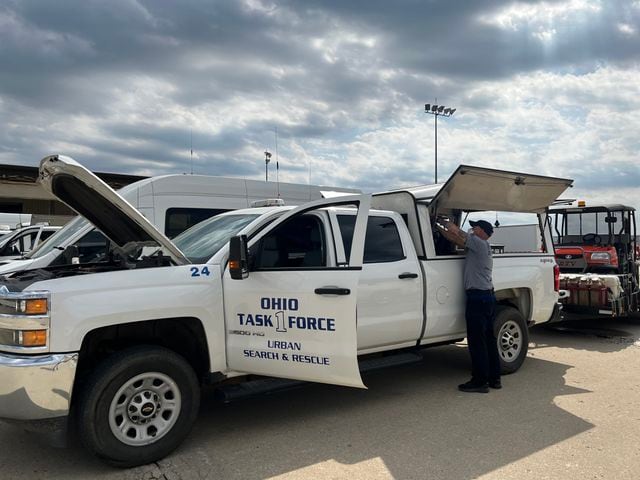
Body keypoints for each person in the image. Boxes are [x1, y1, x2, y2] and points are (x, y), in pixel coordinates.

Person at [436, 216, 501, 393]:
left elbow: (459, 233)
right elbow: (455, 238)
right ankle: (495, 378)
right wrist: (439, 229)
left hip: (477, 298)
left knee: (476, 342)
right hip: (487, 297)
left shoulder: (478, 244)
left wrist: (443, 221)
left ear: (482, 232)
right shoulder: (483, 247)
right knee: (488, 339)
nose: (472, 230)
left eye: (475, 228)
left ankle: (480, 381)